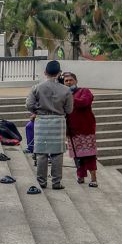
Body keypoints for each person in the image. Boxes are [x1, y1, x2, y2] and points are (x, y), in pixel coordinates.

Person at [26, 60, 74, 190]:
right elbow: (69, 110)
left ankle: (41, 182)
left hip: (41, 121)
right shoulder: (66, 90)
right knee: (57, 153)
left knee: (41, 153)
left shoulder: (36, 87)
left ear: (45, 72)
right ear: (59, 73)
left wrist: (38, 110)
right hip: (58, 122)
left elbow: (29, 105)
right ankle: (56, 183)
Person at [63, 72, 97, 187]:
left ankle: (93, 179)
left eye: (70, 80)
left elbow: (84, 103)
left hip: (86, 129)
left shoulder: (84, 91)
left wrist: (69, 97)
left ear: (76, 81)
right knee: (77, 156)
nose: (68, 82)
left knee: (89, 155)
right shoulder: (64, 95)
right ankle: (80, 176)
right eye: (66, 81)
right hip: (72, 131)